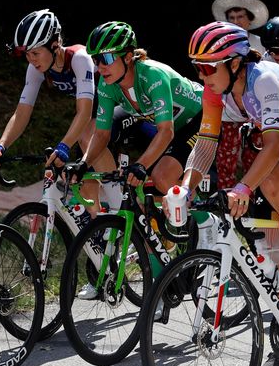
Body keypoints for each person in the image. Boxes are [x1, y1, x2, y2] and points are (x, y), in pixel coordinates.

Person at [173, 21, 279, 366]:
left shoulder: (263, 78)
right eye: (197, 68)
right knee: (266, 243)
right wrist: (184, 187)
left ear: (234, 62)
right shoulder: (214, 91)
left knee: (270, 181)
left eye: (208, 67)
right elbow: (206, 143)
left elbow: (275, 145)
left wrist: (243, 187)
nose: (202, 75)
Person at [67, 21, 210, 299]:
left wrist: (142, 165)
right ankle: (162, 242)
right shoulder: (108, 84)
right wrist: (83, 164)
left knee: (162, 176)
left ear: (129, 56)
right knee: (141, 191)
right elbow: (102, 134)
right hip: (164, 127)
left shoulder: (152, 75)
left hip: (198, 120)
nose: (101, 66)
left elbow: (167, 131)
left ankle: (205, 228)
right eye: (97, 60)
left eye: (107, 58)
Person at [0, 9, 118, 213]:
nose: (30, 59)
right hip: (96, 115)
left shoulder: (79, 58)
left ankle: (119, 204)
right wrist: (1, 147)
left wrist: (64, 146)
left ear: (54, 44)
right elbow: (22, 113)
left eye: (35, 52)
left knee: (86, 136)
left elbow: (84, 113)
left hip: (120, 107)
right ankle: (103, 233)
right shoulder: (37, 68)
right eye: (27, 54)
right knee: (84, 192)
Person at [212, 0, 270, 190]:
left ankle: (251, 201)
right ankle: (224, 200)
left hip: (256, 111)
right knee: (225, 157)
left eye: (240, 17)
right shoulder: (219, 44)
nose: (236, 21)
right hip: (229, 110)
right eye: (232, 18)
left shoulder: (261, 44)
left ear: (250, 19)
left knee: (253, 156)